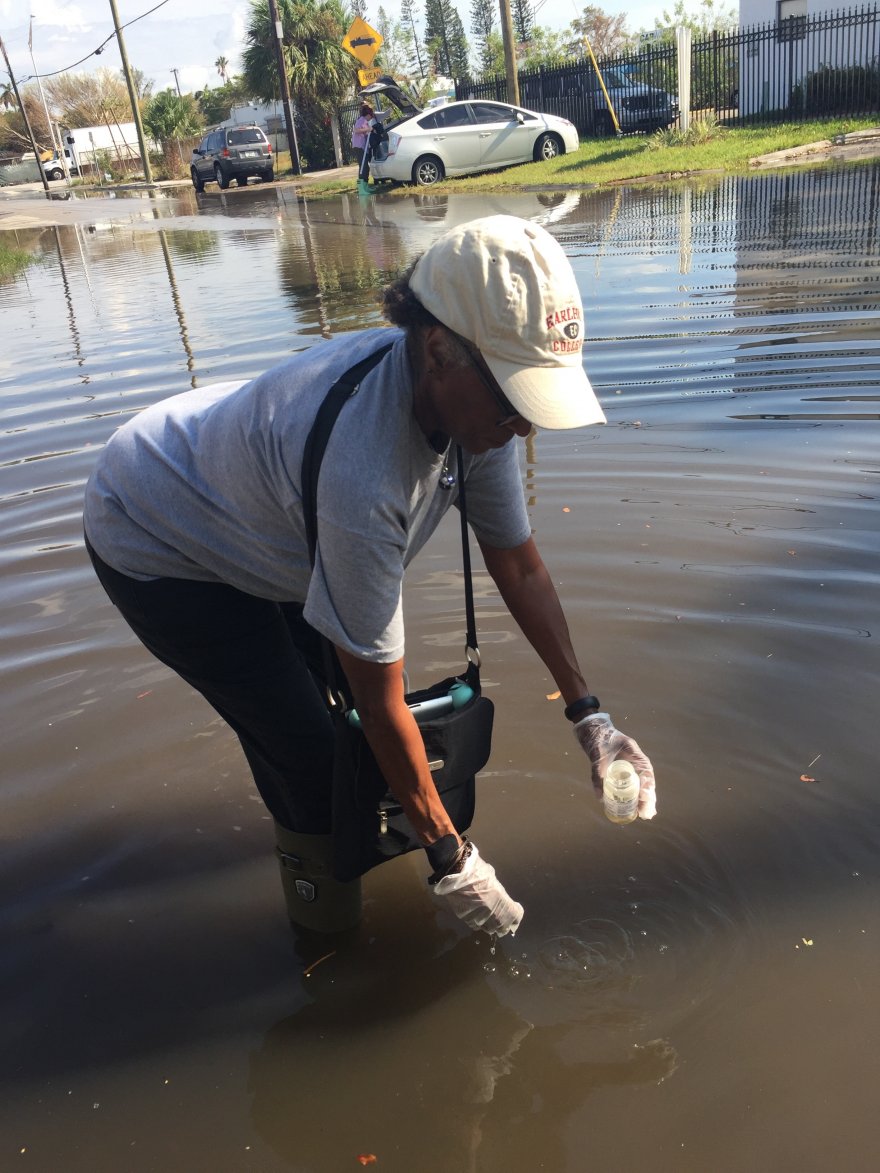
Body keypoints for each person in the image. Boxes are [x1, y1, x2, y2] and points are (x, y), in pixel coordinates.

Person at [83, 215, 657, 939]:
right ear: (439, 348)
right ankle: (325, 945)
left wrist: (590, 717)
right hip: (155, 529)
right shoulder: (366, 477)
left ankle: (329, 849)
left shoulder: (479, 414)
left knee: (337, 736)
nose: (526, 426)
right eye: (516, 396)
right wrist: (453, 856)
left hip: (264, 508)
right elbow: (380, 698)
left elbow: (517, 561)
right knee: (312, 757)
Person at [350, 103, 373, 171]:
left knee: (363, 165)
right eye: (371, 116)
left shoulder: (365, 121)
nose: (371, 118)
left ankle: (363, 180)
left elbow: (364, 132)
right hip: (359, 145)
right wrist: (368, 129)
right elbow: (356, 130)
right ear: (368, 115)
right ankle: (362, 181)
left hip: (361, 146)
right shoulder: (362, 120)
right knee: (363, 165)